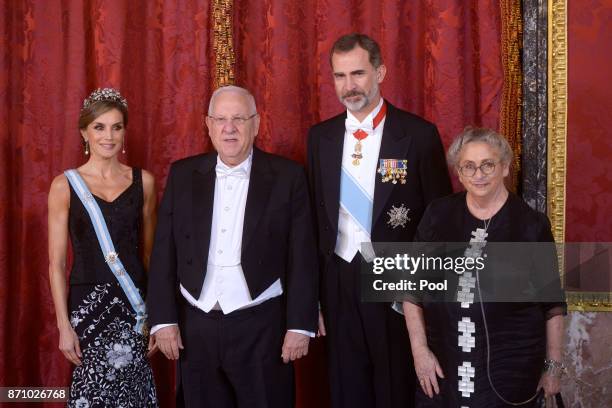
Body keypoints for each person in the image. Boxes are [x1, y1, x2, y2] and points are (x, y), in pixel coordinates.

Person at [147, 85, 318, 407]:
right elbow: (163, 252)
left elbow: (303, 256)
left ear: (256, 124)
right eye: (221, 119)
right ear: (208, 125)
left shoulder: (288, 176)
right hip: (195, 326)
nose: (229, 128)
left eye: (239, 118)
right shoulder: (183, 174)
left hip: (262, 324)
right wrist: (164, 319)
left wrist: (299, 325)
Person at [307, 33, 452, 408]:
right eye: (340, 76)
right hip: (337, 278)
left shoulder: (418, 135)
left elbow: (438, 222)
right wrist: (313, 300)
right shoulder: (319, 137)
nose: (349, 86)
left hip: (395, 281)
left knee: (392, 386)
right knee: (345, 385)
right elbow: (311, 222)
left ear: (380, 72)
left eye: (358, 73)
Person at [403, 127, 566, 407]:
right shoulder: (437, 215)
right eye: (469, 166)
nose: (478, 174)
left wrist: (553, 367)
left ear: (504, 167)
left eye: (487, 164)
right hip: (443, 361)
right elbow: (411, 290)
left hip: (511, 366)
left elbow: (551, 305)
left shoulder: (531, 225)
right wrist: (419, 352)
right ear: (459, 172)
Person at [48, 88, 158, 407]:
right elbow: (55, 264)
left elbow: (150, 256)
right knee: (92, 394)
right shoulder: (64, 185)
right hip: (87, 308)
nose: (108, 136)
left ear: (125, 131)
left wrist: (159, 315)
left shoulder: (144, 182)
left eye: (116, 127)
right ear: (85, 132)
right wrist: (63, 326)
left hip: (134, 306)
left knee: (133, 393)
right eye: (99, 127)